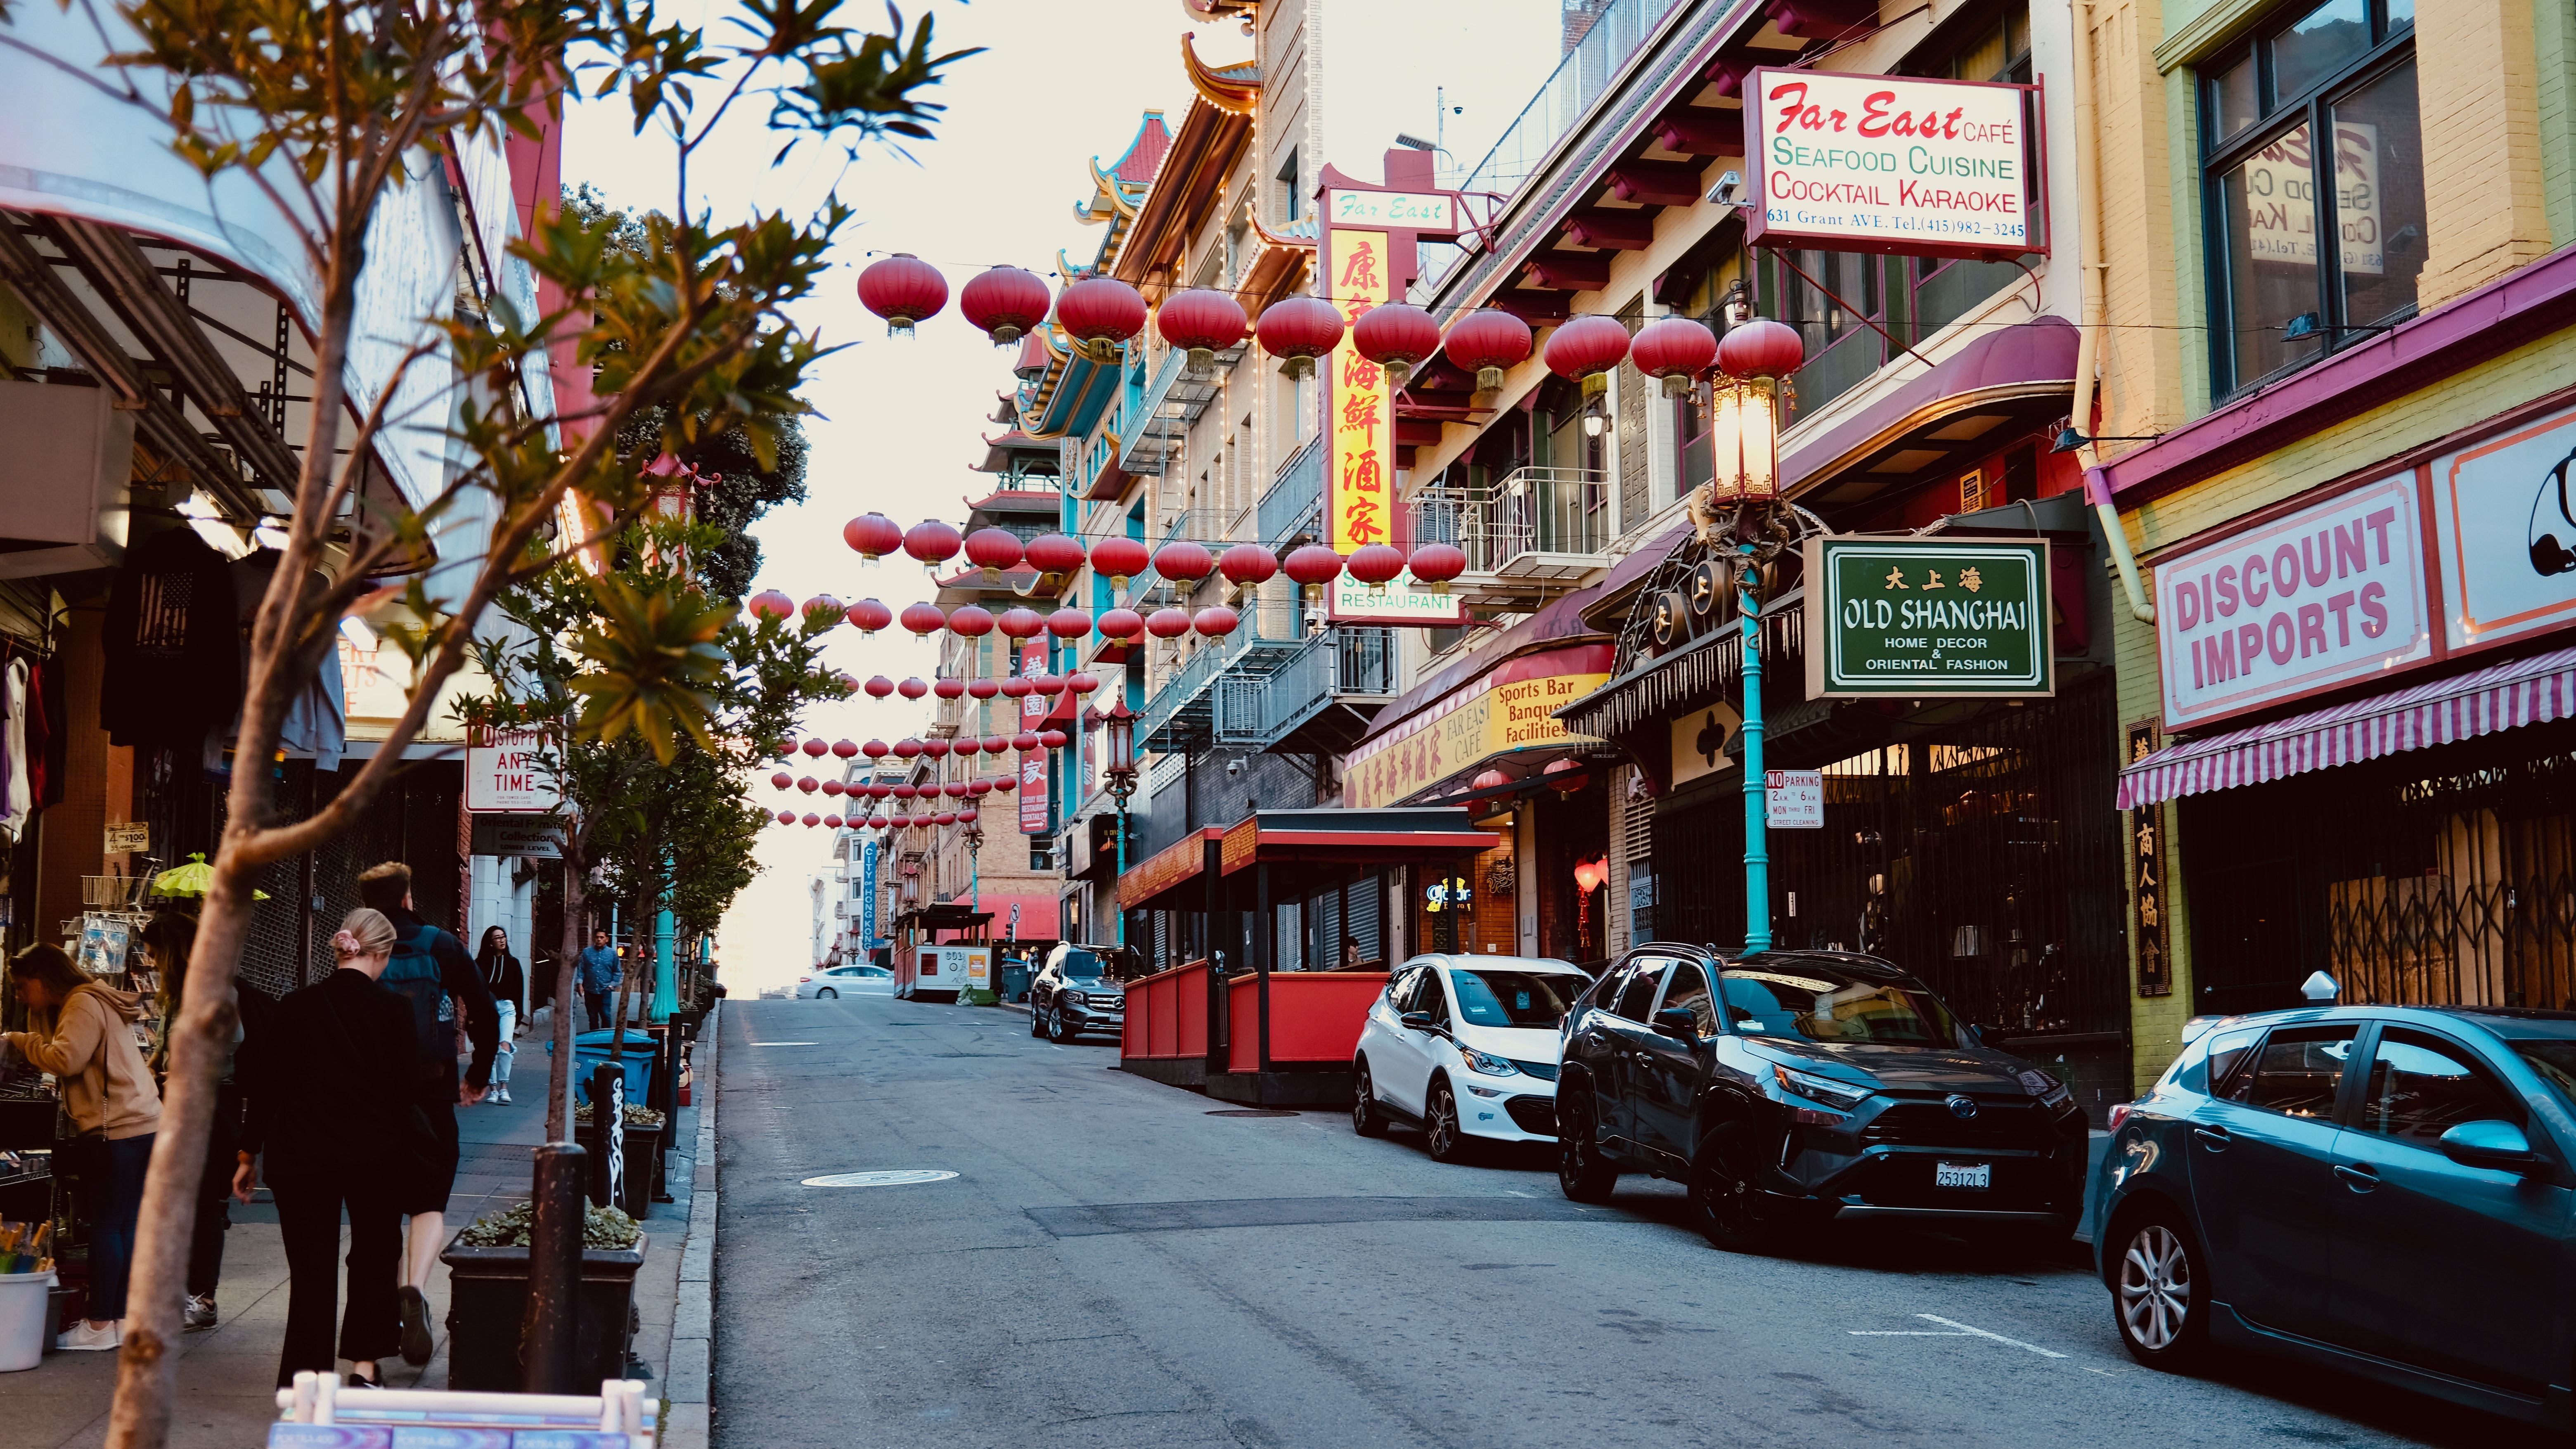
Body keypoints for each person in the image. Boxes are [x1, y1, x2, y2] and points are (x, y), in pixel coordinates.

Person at [232, 908, 423, 1389]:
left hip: (303, 1155)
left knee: (311, 1268)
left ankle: (305, 1376)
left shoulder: (295, 1006)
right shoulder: (396, 1010)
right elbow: (407, 1091)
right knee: (375, 1259)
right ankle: (364, 1368)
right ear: (381, 953)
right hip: (374, 1155)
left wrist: (247, 1153)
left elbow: (267, 1085)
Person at [355, 861, 497, 1368]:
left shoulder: (358, 946)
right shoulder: (440, 944)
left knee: (376, 1215)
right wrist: (477, 1073)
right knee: (429, 1200)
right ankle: (413, 1286)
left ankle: (371, 1343)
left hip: (371, 1098)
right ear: (409, 897)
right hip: (432, 1091)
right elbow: (483, 1006)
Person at [3, 942, 161, 1350]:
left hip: (118, 1128)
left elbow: (67, 1060)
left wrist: (22, 1040)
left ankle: (98, 1325)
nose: (21, 995)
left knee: (108, 1226)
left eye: (22, 986)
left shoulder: (81, 1002)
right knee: (125, 1226)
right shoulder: (97, 998)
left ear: (43, 978)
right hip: (143, 1123)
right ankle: (119, 1322)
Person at [144, 912, 270, 1332]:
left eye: (155, 954)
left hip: (213, 1109)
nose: (150, 962)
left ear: (173, 954)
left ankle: (203, 1297)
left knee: (204, 1205)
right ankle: (180, 1292)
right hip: (181, 1107)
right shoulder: (179, 996)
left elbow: (228, 1046)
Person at [474, 926, 525, 1106]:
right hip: (487, 1010)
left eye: (503, 937)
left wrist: (519, 1015)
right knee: (489, 1049)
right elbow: (475, 990)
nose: (502, 940)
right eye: (498, 938)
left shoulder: (513, 963)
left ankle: (505, 1088)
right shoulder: (480, 963)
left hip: (507, 1008)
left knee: (505, 1047)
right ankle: (493, 1090)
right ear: (490, 942)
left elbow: (520, 991)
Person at [577, 928, 619, 1031]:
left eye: (602, 937)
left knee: (606, 1015)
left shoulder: (612, 954)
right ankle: (594, 1038)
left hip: (605, 989)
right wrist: (580, 983)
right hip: (590, 989)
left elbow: (617, 971)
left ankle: (606, 1039)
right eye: (597, 937)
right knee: (593, 1017)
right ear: (594, 939)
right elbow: (581, 969)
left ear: (607, 939)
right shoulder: (587, 953)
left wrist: (611, 986)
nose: (599, 940)